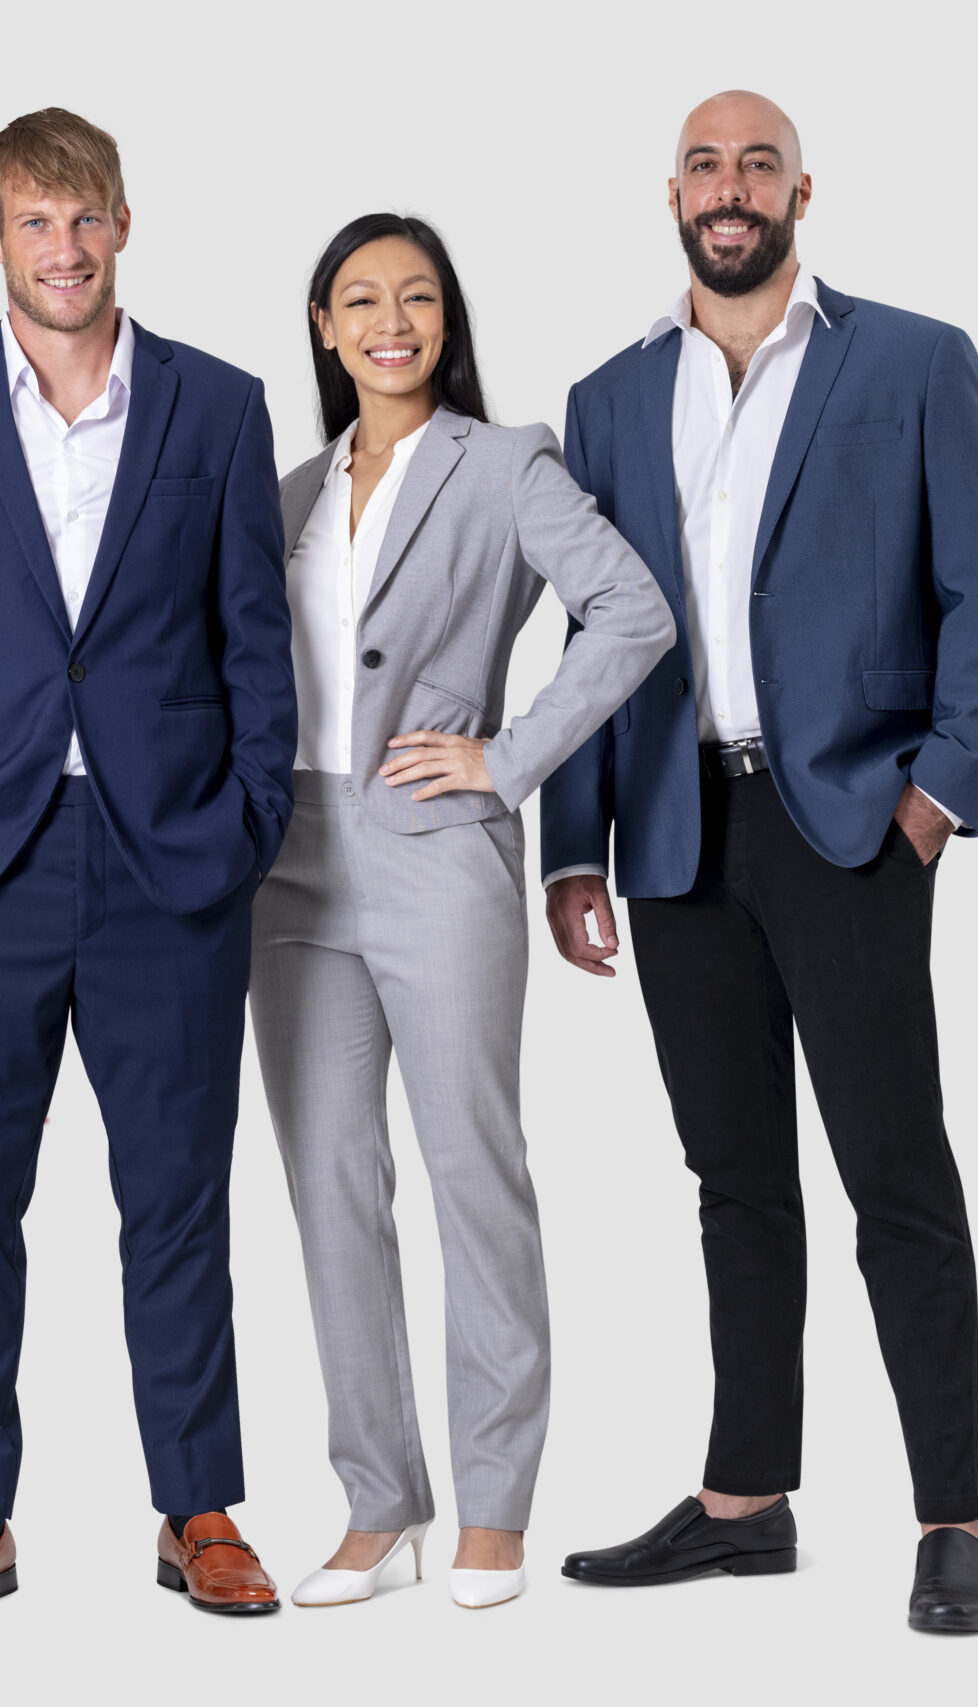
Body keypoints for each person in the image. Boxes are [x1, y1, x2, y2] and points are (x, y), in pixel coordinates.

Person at [540, 91, 978, 1634]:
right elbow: (587, 639)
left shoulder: (913, 361)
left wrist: (935, 800)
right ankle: (745, 1500)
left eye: (757, 163)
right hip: (679, 834)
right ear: (671, 194)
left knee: (896, 1173)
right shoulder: (608, 398)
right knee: (731, 1178)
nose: (730, 188)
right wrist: (574, 844)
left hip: (849, 827)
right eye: (704, 163)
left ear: (801, 190)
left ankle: (955, 1518)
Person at [0, 108, 296, 1622]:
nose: (66, 248)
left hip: (173, 859)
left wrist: (244, 830)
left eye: (86, 217)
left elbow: (253, 643)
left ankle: (199, 1505)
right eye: (35, 222)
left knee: (176, 1196)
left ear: (123, 223)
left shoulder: (220, 410)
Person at [257, 215, 673, 1614]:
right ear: (324, 324)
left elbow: (630, 612)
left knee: (469, 1172)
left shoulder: (503, 465)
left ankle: (495, 1503)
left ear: (448, 320)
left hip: (437, 851)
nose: (392, 321)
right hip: (293, 863)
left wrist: (507, 758)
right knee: (328, 1183)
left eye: (418, 297)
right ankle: (381, 1502)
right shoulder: (294, 490)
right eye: (362, 299)